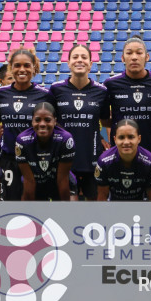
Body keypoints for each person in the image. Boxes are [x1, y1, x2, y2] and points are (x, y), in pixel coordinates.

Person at [50, 44, 110, 200]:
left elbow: (105, 122)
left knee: (93, 215)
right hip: (64, 161)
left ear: (90, 64)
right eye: (75, 57)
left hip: (92, 159)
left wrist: (104, 141)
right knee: (68, 213)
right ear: (68, 62)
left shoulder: (101, 92)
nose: (79, 60)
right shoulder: (56, 90)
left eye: (84, 57)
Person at [0, 47, 54, 201]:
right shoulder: (1, 94)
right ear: (11, 68)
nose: (22, 69)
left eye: (27, 65)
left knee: (37, 206)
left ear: (34, 68)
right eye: (17, 65)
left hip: (36, 160)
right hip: (9, 160)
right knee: (10, 207)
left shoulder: (45, 95)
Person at [104, 36, 151, 155]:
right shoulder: (110, 84)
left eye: (139, 53)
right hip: (119, 154)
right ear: (123, 58)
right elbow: (105, 121)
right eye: (129, 53)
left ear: (147, 57)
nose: (134, 57)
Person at [16, 102, 76, 201]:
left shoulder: (65, 139)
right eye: (37, 120)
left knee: (70, 210)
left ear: (55, 121)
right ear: (32, 121)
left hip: (59, 180)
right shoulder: (22, 140)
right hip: (34, 181)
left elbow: (62, 180)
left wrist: (67, 211)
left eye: (47, 120)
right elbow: (29, 181)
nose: (42, 124)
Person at [95, 119, 151, 201]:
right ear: (115, 139)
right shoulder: (104, 161)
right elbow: (102, 197)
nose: (126, 142)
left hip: (140, 209)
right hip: (113, 208)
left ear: (139, 139)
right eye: (121, 137)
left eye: (131, 137)